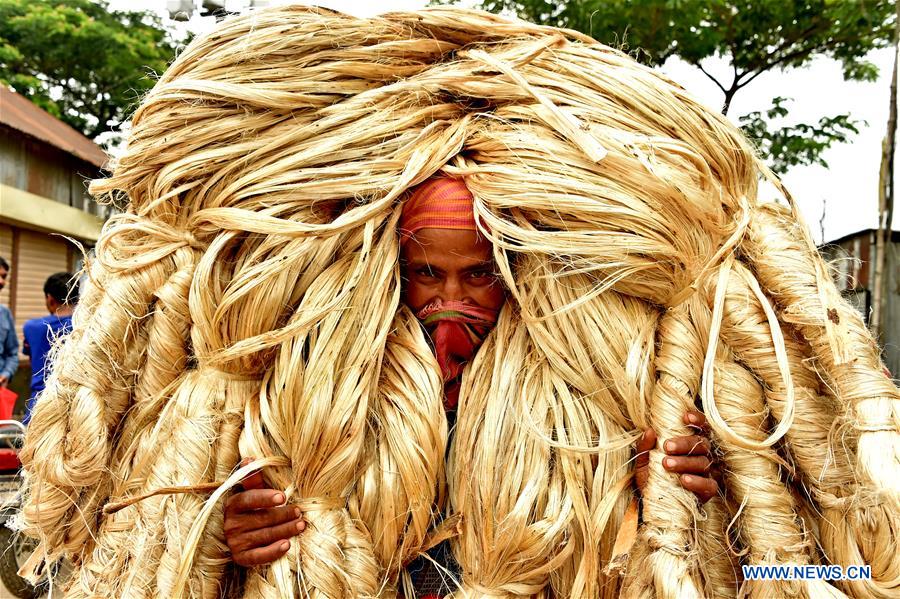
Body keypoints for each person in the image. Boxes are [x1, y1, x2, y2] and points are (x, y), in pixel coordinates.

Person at [223, 178, 719, 596]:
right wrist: (242, 543)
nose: (452, 299)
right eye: (427, 273)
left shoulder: (579, 402)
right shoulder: (332, 395)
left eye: (478, 274)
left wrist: (671, 489)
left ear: (509, 273)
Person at [21, 272, 78, 425]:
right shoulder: (87, 326)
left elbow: (33, 360)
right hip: (78, 405)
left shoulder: (32, 328)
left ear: (49, 298)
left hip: (39, 405)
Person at [0, 257, 18, 390]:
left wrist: (6, 374)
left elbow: (12, 353)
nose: (1, 281)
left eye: (4, 276)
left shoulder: (4, 313)